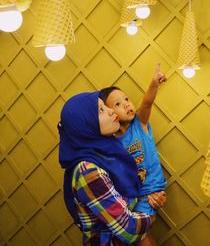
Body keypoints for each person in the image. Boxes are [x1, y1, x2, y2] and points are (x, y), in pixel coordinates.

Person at [58, 91, 153, 246]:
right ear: (86, 125)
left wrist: (151, 196)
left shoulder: (107, 151)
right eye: (101, 110)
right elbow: (129, 231)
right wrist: (150, 211)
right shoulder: (88, 170)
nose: (111, 111)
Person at [101, 63, 167, 246]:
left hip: (151, 190)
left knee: (137, 233)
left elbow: (146, 103)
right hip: (131, 196)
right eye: (118, 104)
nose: (127, 104)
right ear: (110, 113)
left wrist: (154, 84)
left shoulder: (140, 124)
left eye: (126, 99)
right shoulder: (111, 142)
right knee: (137, 237)